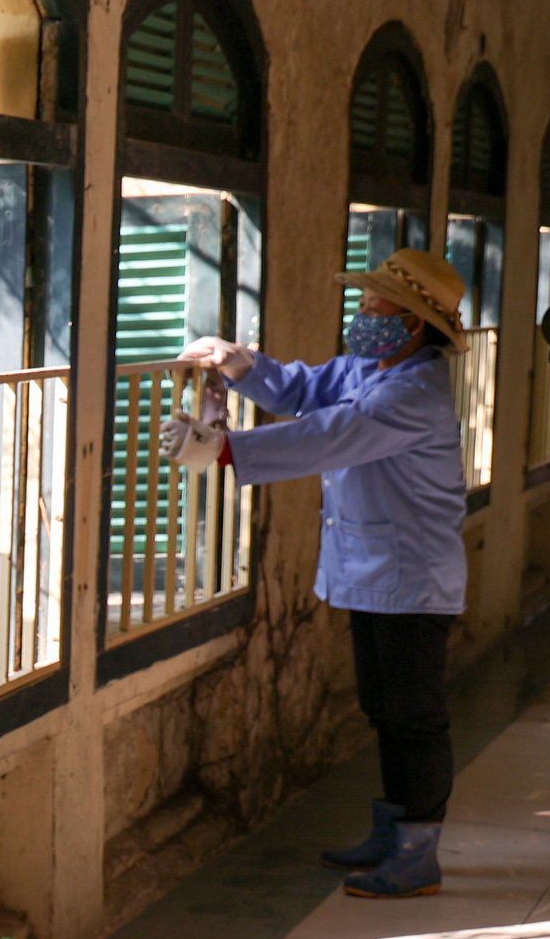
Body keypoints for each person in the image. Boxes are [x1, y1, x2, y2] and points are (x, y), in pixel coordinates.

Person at [163, 248, 469, 900]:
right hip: (377, 570)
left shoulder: (414, 392)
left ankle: (420, 848)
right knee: (383, 706)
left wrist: (223, 449)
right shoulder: (374, 367)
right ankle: (393, 830)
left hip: (413, 578)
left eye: (375, 304)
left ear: (414, 323)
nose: (362, 314)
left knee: (415, 714)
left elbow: (330, 433)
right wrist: (241, 364)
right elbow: (308, 389)